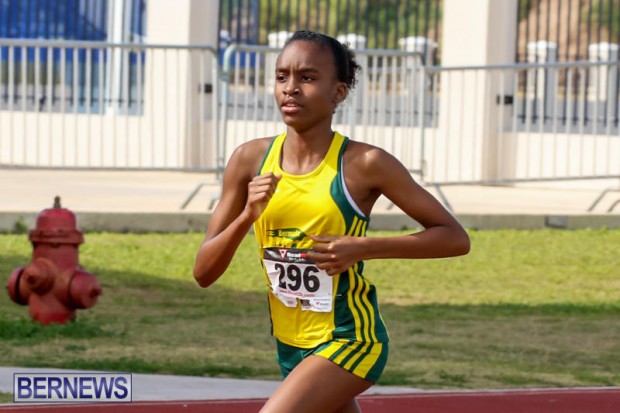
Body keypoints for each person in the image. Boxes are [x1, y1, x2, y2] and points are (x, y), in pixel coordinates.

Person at [193, 30, 470, 413]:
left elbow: (454, 237)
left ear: (338, 92)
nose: (290, 88)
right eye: (282, 76)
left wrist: (362, 247)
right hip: (291, 341)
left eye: (307, 78)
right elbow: (203, 272)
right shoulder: (249, 160)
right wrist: (247, 216)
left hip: (348, 338)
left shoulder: (365, 164)